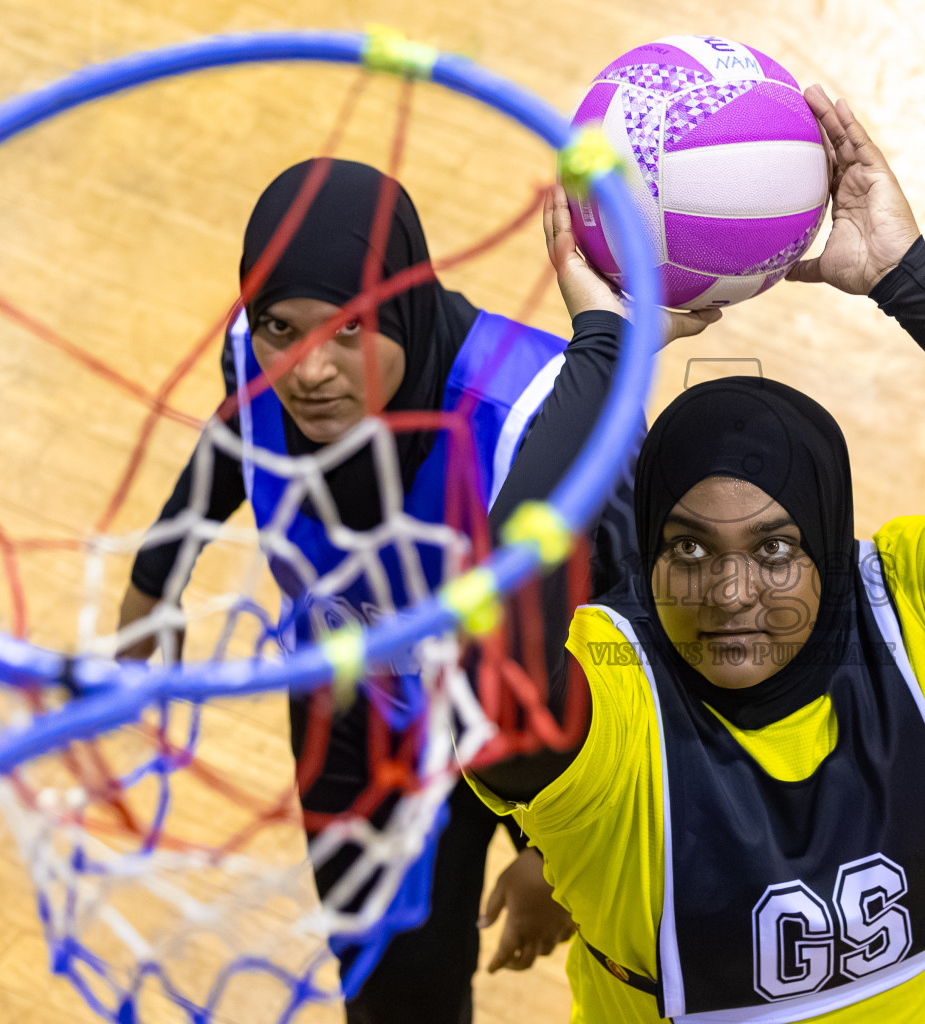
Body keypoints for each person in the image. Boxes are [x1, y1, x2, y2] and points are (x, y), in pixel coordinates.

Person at [465, 84, 925, 1023]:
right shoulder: (617, 707)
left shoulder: (919, 618)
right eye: (687, 549)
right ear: (643, 556)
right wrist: (608, 349)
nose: (731, 593)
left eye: (778, 549)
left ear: (835, 547)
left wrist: (906, 273)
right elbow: (485, 654)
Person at [115, 158, 718, 1022]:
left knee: (650, 957)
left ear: (400, 306)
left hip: (547, 728)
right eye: (282, 326)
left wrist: (557, 847)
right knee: (395, 995)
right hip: (363, 714)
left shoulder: (537, 411)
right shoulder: (257, 357)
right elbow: (234, 428)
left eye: (351, 330)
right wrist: (156, 577)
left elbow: (653, 632)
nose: (308, 370)